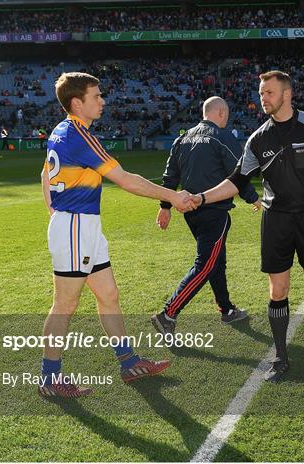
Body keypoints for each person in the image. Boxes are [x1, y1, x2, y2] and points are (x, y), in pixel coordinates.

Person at [39, 72, 195, 398]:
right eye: (96, 96)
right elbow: (127, 180)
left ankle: (128, 363)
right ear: (77, 102)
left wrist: (54, 208)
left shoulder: (65, 130)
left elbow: (45, 173)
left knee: (109, 294)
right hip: (76, 227)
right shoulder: (77, 135)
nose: (103, 101)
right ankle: (49, 378)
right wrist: (173, 196)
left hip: (84, 227)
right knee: (65, 304)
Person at [191, 71, 304, 382]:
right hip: (276, 220)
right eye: (262, 93)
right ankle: (281, 357)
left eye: (269, 92)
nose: (264, 98)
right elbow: (236, 180)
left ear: (286, 94)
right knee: (279, 290)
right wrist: (201, 197)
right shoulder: (258, 138)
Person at [151, 97, 261, 335]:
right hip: (214, 211)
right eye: (227, 113)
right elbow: (239, 172)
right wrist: (253, 197)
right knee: (206, 264)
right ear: (221, 112)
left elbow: (170, 175)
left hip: (191, 213)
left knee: (216, 262)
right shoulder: (221, 136)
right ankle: (168, 314)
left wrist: (165, 206)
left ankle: (226, 309)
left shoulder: (183, 137)